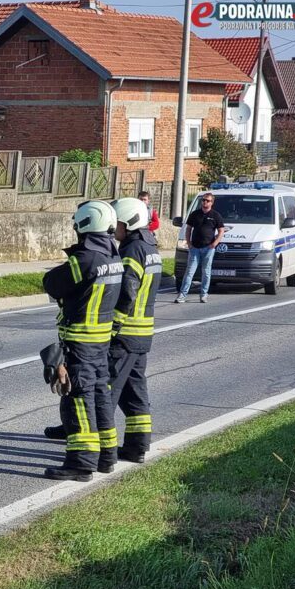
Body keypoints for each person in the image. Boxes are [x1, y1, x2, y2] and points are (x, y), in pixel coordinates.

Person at [41, 200, 124, 482]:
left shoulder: (86, 259)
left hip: (79, 344)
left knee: (78, 402)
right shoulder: (114, 258)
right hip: (101, 344)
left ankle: (80, 463)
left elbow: (52, 282)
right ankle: (106, 456)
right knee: (101, 399)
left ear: (85, 225)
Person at [102, 197, 162, 467]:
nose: (115, 229)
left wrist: (113, 324)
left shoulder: (132, 251)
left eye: (118, 224)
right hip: (142, 335)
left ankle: (101, 453)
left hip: (124, 335)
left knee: (107, 392)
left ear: (131, 223)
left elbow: (127, 290)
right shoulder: (150, 247)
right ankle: (137, 447)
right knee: (135, 392)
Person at [176, 192, 225, 304]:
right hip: (195, 248)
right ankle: (182, 295)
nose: (204, 202)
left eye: (207, 200)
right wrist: (189, 242)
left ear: (212, 202)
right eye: (203, 200)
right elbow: (188, 229)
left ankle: (203, 294)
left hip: (208, 248)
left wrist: (215, 243)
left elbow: (221, 230)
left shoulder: (215, 215)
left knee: (206, 272)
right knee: (189, 272)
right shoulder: (195, 214)